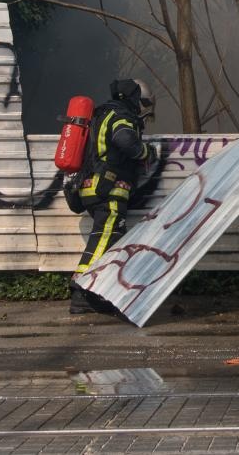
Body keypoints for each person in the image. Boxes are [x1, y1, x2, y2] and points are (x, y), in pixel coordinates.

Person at [71, 78, 160, 316]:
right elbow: (124, 140)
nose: (142, 109)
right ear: (134, 99)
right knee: (103, 238)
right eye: (142, 103)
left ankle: (98, 291)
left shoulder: (102, 115)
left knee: (108, 238)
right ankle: (81, 290)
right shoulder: (120, 116)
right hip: (108, 189)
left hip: (92, 187)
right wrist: (146, 152)